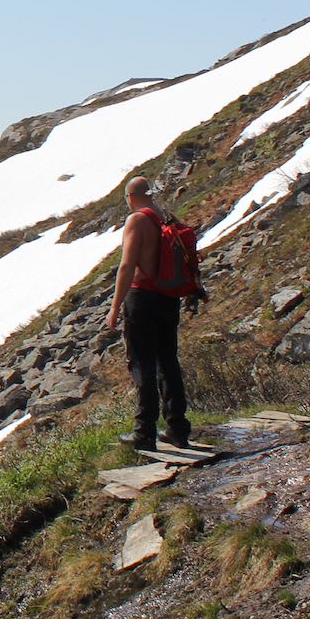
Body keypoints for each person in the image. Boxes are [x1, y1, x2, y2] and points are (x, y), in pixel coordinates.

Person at [104, 175, 191, 451]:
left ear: (130, 197)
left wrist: (115, 306)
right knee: (168, 361)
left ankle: (144, 432)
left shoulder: (137, 220)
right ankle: (177, 429)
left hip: (142, 296)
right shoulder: (165, 216)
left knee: (142, 364)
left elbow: (127, 265)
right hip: (168, 296)